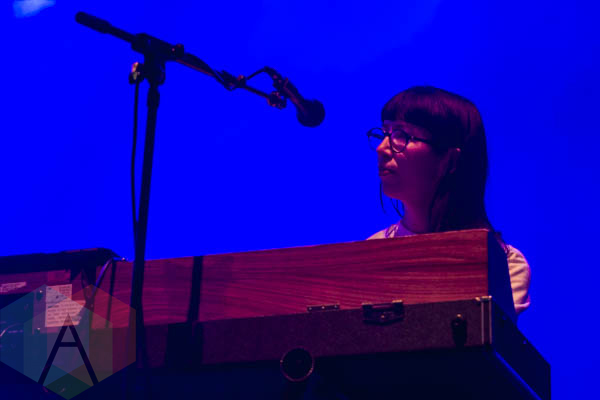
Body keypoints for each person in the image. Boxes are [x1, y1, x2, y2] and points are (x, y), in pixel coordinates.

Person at [366, 86, 531, 317]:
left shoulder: (503, 264)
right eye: (384, 133)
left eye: (401, 135)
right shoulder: (370, 251)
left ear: (450, 159)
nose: (381, 148)